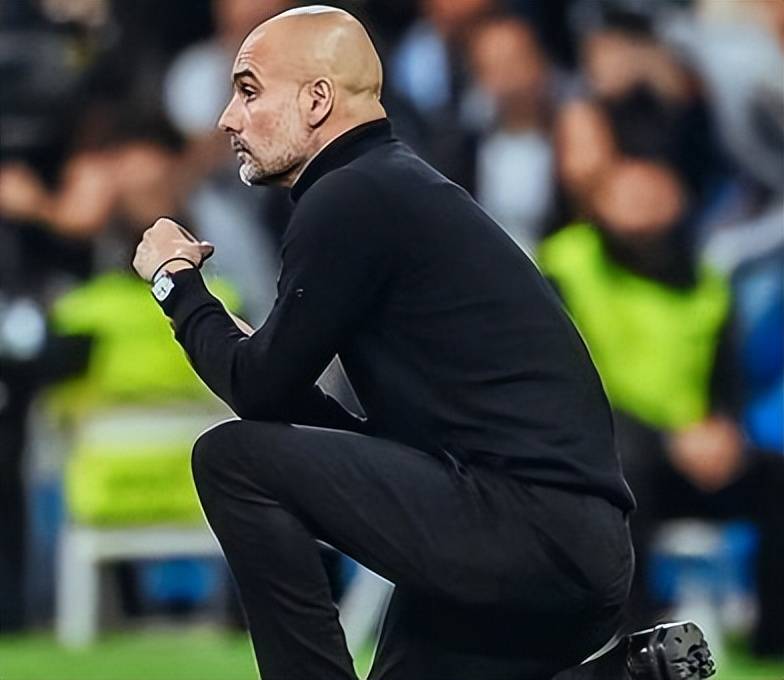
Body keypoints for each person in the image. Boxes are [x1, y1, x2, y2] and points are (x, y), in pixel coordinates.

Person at [132, 6, 711, 680]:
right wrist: (247, 353)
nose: (228, 118)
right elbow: (291, 403)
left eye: (249, 90)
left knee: (232, 460)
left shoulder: (350, 196)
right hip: (561, 545)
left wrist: (178, 287)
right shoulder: (389, 186)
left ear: (317, 100)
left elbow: (256, 393)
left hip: (522, 528)